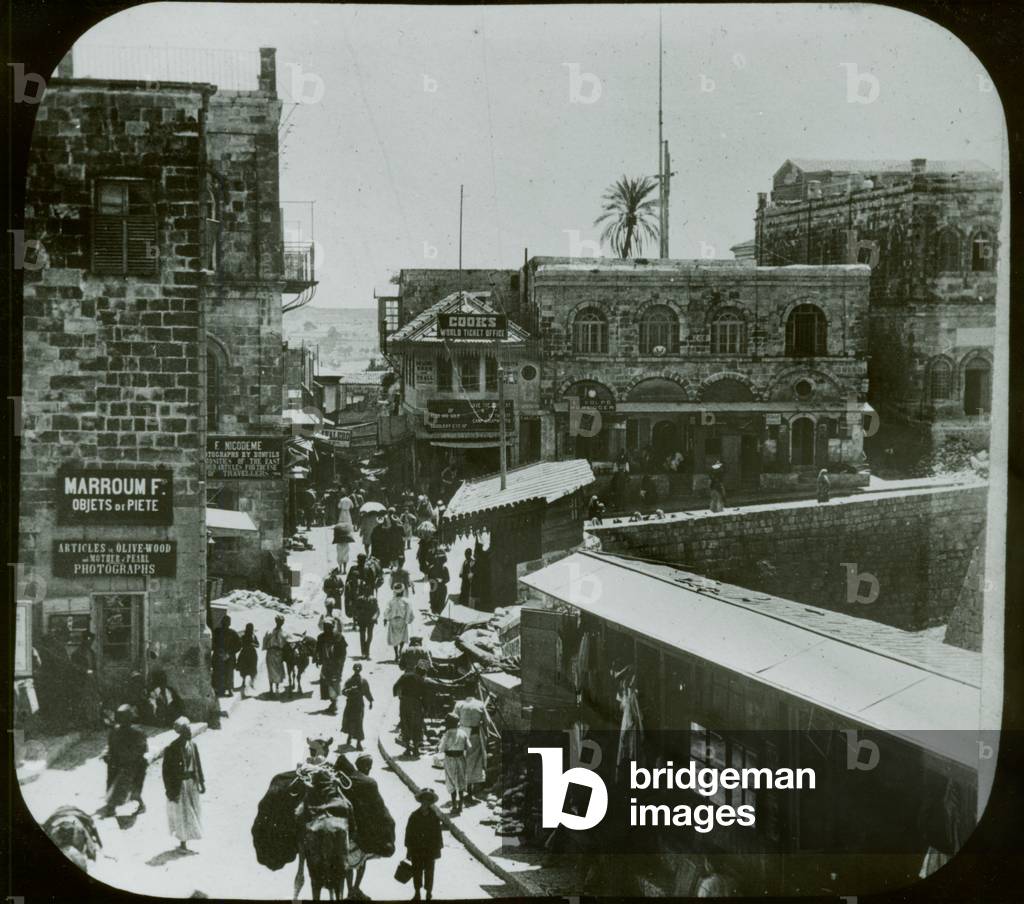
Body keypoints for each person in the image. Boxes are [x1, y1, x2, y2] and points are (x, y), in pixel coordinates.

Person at [335, 753, 395, 895]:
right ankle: (354, 888)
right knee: (361, 863)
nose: (369, 768)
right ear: (362, 766)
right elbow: (379, 807)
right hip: (365, 831)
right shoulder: (369, 782)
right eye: (367, 765)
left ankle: (350, 889)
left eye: (370, 765)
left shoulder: (346, 781)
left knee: (349, 863)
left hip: (351, 829)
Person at [97, 704, 148, 818]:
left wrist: (129, 760)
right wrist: (106, 755)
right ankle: (111, 807)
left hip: (133, 765)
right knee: (113, 785)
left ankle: (140, 805)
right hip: (116, 764)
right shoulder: (115, 731)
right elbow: (110, 747)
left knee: (133, 788)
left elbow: (143, 749)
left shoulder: (137, 732)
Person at [162, 716, 205, 850]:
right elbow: (166, 773)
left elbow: (198, 765)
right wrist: (169, 790)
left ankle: (190, 836)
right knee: (182, 814)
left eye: (190, 729)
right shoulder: (171, 749)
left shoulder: (193, 745)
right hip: (179, 786)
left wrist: (202, 783)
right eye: (187, 730)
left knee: (193, 810)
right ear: (181, 732)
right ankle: (183, 842)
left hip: (191, 783)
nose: (190, 732)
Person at [405, 788, 443, 901]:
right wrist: (408, 850)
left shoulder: (434, 817)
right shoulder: (414, 816)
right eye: (424, 799)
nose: (426, 802)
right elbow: (409, 834)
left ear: (430, 802)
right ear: (421, 800)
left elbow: (438, 834)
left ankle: (428, 893)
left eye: (428, 800)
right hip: (416, 849)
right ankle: (417, 893)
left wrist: (438, 850)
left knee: (429, 872)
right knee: (417, 871)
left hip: (430, 850)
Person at [454, 692, 488, 799]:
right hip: (474, 735)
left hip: (462, 734)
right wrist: (481, 724)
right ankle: (470, 791)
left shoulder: (459, 704)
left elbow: (453, 718)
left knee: (462, 761)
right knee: (473, 762)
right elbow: (488, 722)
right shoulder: (480, 704)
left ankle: (461, 788)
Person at [393, 663, 431, 755]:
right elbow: (425, 697)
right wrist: (426, 709)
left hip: (404, 703)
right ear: (423, 673)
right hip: (416, 704)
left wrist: (399, 695)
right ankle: (416, 749)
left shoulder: (405, 676)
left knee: (405, 723)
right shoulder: (423, 681)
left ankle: (407, 749)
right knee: (417, 725)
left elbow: (395, 686)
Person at [438, 713, 472, 814]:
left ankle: (454, 805)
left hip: (450, 759)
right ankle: (460, 806)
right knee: (461, 780)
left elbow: (441, 749)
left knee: (451, 780)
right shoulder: (463, 733)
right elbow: (468, 747)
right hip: (461, 758)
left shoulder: (447, 734)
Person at [314, 619, 347, 715]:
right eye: (325, 627)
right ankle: (332, 702)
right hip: (326, 663)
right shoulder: (321, 637)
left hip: (335, 664)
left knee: (334, 681)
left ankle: (334, 703)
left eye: (328, 627)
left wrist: (339, 664)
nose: (326, 629)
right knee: (325, 681)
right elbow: (318, 649)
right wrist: (318, 659)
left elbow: (343, 653)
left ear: (332, 627)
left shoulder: (339, 637)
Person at [341, 663, 374, 750]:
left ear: (361, 670)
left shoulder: (363, 681)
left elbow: (367, 692)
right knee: (349, 721)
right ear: (353, 669)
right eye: (356, 669)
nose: (357, 670)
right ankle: (349, 735)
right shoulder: (349, 681)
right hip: (350, 703)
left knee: (359, 723)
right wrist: (350, 690)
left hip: (359, 704)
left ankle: (358, 743)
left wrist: (370, 701)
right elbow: (343, 691)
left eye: (358, 669)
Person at [384, 584, 415, 663]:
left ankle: (396, 654)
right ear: (403, 591)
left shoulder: (391, 601)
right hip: (402, 621)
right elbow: (409, 612)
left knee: (394, 638)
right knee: (402, 637)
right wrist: (408, 620)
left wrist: (386, 619)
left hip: (393, 621)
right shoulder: (407, 601)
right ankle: (400, 651)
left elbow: (386, 611)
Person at [352, 574, 380, 660]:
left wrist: (375, 617)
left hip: (370, 620)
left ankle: (367, 649)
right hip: (362, 620)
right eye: (366, 590)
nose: (367, 591)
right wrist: (356, 618)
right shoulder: (359, 599)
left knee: (370, 636)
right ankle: (364, 652)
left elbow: (377, 610)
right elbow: (355, 609)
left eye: (368, 590)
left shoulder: (373, 599)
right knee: (362, 636)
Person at [211, 615, 240, 697]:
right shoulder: (217, 632)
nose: (225, 624)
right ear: (222, 622)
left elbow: (238, 645)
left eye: (227, 622)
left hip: (228, 657)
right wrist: (219, 652)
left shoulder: (233, 633)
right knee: (218, 673)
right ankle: (219, 689)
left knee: (229, 673)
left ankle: (229, 689)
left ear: (229, 623)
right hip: (219, 656)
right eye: (224, 622)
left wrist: (229, 653)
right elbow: (213, 643)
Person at [263, 615, 288, 696]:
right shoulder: (270, 632)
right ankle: (270, 689)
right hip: (271, 653)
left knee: (278, 671)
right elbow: (265, 641)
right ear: (276, 622)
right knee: (271, 671)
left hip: (279, 653)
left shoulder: (284, 633)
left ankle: (276, 688)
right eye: (279, 622)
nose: (280, 623)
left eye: (281, 622)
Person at [236, 623, 259, 691]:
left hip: (251, 654)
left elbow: (258, 645)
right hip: (245, 653)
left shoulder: (253, 636)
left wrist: (252, 644)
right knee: (243, 668)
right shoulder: (243, 636)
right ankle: (243, 682)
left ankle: (252, 682)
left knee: (252, 668)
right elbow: (239, 644)